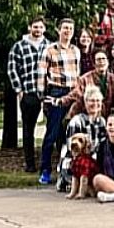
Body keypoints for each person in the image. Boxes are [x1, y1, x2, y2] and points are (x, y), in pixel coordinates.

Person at [37, 15, 81, 186]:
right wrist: (42, 96)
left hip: (72, 92)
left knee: (70, 132)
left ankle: (66, 170)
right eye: (65, 28)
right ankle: (45, 170)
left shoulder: (75, 50)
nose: (68, 32)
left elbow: (77, 73)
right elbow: (41, 73)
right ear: (58, 30)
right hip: (55, 91)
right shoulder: (50, 50)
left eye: (70, 29)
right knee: (52, 132)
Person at [6, 15, 50, 173]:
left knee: (51, 128)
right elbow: (12, 69)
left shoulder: (49, 46)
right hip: (28, 92)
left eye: (40, 27)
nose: (38, 30)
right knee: (28, 129)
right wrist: (19, 90)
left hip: (46, 93)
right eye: (35, 27)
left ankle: (48, 162)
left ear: (44, 29)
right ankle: (30, 163)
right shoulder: (19, 46)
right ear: (29, 28)